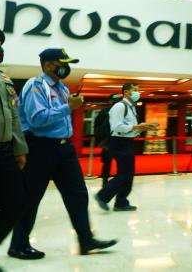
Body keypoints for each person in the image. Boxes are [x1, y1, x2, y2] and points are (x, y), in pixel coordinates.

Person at [9, 48, 118, 260]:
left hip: (64, 149)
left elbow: (62, 115)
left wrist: (70, 106)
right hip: (40, 147)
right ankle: (18, 245)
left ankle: (86, 240)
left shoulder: (63, 88)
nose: (66, 66)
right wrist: (69, 108)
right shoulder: (35, 86)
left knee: (78, 194)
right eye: (62, 62)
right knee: (31, 198)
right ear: (48, 64)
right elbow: (37, 119)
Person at [94, 83, 157, 212]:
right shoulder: (119, 106)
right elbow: (117, 127)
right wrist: (137, 127)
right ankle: (103, 195)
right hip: (118, 142)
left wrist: (143, 126)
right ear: (127, 92)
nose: (138, 93)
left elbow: (129, 127)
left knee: (128, 174)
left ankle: (121, 202)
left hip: (126, 142)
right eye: (135, 90)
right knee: (125, 174)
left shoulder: (131, 107)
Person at [0, 28, 28, 272]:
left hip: (4, 151)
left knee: (16, 203)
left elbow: (14, 116)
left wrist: (20, 149)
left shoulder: (3, 78)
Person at [99, 93, 122, 187]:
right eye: (115, 100)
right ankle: (105, 180)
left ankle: (116, 180)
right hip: (108, 142)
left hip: (119, 141)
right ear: (110, 101)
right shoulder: (104, 112)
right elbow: (99, 128)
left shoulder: (122, 111)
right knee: (108, 163)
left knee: (120, 162)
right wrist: (102, 141)